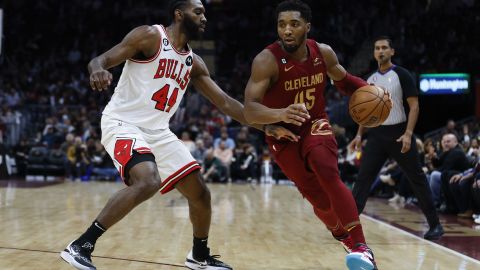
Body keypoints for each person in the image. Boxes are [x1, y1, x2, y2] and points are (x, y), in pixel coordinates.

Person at [60, 1, 295, 270]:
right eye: (199, 12)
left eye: (205, 13)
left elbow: (227, 103)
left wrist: (266, 125)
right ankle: (81, 245)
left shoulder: (193, 62)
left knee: (201, 194)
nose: (204, 17)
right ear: (179, 14)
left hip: (159, 132)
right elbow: (99, 60)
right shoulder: (149, 36)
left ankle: (199, 255)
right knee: (148, 181)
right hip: (123, 123)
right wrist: (98, 70)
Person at [243, 1, 378, 269]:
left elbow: (344, 81)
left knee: (326, 169)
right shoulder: (266, 60)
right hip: (282, 133)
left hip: (315, 123)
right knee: (318, 199)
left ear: (307, 26)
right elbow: (250, 110)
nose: (287, 31)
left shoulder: (322, 53)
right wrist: (279, 114)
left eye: (294, 24)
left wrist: (372, 92)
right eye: (282, 25)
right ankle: (342, 235)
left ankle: (362, 247)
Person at [348, 36, 444, 240]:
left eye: (384, 48)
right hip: (376, 135)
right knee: (363, 179)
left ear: (392, 52)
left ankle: (435, 225)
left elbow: (415, 106)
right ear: (373, 53)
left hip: (400, 133)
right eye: (377, 48)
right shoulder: (370, 79)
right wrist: (358, 135)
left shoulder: (402, 74)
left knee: (417, 178)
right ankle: (349, 226)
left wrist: (409, 133)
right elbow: (365, 112)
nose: (380, 51)